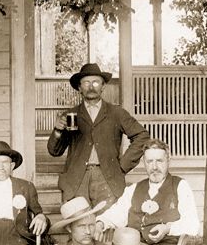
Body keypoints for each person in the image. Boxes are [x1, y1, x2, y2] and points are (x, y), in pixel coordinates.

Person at [47, 63, 149, 208]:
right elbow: (54, 151)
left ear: (103, 87)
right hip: (77, 179)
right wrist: (58, 130)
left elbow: (142, 136)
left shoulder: (116, 113)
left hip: (107, 177)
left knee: (107, 223)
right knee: (79, 225)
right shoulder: (70, 115)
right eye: (86, 82)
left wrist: (122, 166)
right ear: (79, 88)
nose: (91, 86)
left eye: (95, 82)